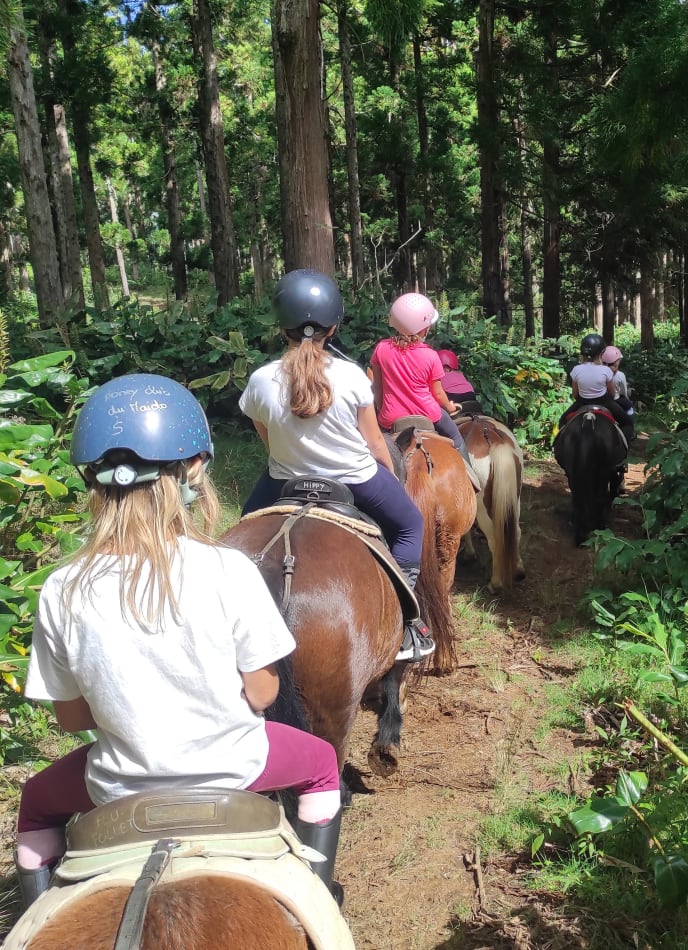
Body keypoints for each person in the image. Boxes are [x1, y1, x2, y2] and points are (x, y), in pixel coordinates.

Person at [15, 373, 344, 914]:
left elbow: (72, 720)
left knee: (34, 804)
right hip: (239, 767)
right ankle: (320, 895)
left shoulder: (61, 587)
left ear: (91, 480)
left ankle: (33, 910)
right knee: (322, 763)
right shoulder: (228, 569)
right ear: (193, 469)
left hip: (116, 787)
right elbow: (263, 696)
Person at [239, 269, 435, 664]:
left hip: (283, 481)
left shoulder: (260, 380)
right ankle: (406, 618)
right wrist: (390, 472)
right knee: (411, 524)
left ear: (283, 328)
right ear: (333, 327)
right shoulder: (349, 376)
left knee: (241, 534)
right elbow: (375, 441)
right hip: (356, 481)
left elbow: (268, 441)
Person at [369, 293, 479, 484]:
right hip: (429, 415)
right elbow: (437, 393)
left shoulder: (381, 349)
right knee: (457, 439)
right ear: (424, 328)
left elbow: (377, 388)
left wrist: (382, 408)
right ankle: (472, 480)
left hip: (391, 418)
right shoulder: (430, 355)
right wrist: (451, 407)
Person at [559, 333, 634, 442]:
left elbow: (575, 394)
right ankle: (622, 448)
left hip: (582, 403)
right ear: (601, 353)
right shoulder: (606, 370)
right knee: (627, 422)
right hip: (604, 402)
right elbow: (612, 394)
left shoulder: (576, 369)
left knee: (562, 421)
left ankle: (559, 448)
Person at [602, 345, 635, 438]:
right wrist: (626, 398)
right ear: (616, 361)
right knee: (630, 409)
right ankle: (630, 432)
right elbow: (623, 391)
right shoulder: (620, 375)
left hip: (601, 399)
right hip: (616, 400)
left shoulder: (600, 372)